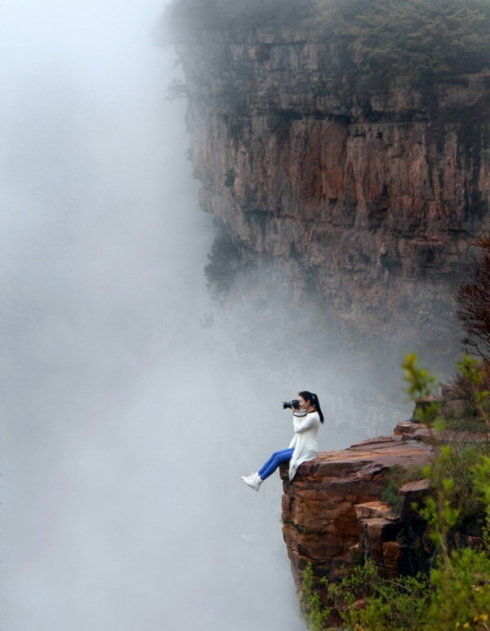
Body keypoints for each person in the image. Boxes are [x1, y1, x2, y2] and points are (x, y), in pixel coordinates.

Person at [241, 390, 324, 491]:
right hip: (301, 446)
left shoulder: (313, 417)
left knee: (279, 458)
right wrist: (297, 411)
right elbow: (302, 420)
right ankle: (257, 476)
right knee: (275, 454)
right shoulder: (309, 413)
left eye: (301, 401)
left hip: (306, 449)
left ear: (308, 402)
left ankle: (258, 481)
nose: (299, 403)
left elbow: (298, 429)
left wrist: (294, 414)